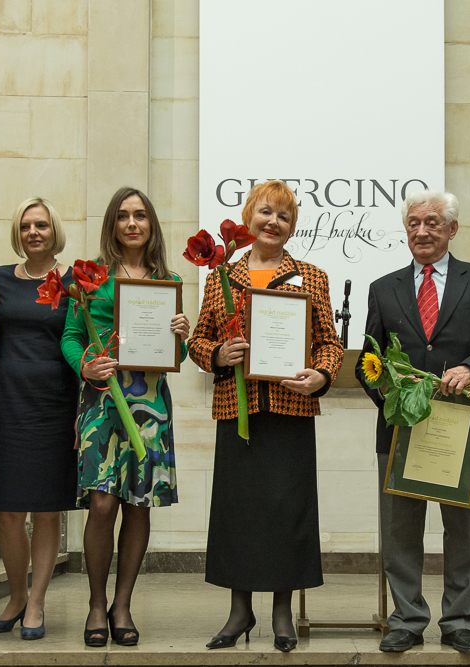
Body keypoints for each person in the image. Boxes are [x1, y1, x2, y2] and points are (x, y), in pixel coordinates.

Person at [187, 180, 343, 653]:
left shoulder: (311, 276)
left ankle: (280, 611)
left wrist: (321, 374)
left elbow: (329, 343)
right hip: (239, 410)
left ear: (292, 228)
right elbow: (197, 341)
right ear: (249, 218)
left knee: (287, 512)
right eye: (266, 213)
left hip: (291, 408)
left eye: (284, 217)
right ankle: (239, 611)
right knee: (239, 512)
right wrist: (218, 355)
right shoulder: (220, 277)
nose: (273, 222)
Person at [357, 190, 470, 654]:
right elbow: (371, 356)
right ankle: (406, 619)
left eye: (431, 222)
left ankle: (461, 621)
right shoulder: (382, 288)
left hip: (460, 428)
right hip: (401, 427)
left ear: (451, 229)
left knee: (464, 530)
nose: (421, 231)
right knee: (399, 529)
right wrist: (389, 397)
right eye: (413, 223)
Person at [60, 187, 190, 647]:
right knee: (102, 504)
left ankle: (123, 605)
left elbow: (181, 354)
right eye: (122, 216)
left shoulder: (167, 279)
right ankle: (96, 603)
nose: (132, 223)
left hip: (151, 405)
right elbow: (72, 335)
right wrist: (84, 365)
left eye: (140, 216)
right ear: (112, 225)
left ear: (151, 224)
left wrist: (183, 335)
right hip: (102, 403)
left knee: (138, 504)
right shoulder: (91, 277)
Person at [0, 197, 78, 640]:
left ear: (53, 229)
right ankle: (16, 595)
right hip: (5, 405)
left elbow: (83, 340)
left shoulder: (76, 280)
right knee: (7, 511)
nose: (33, 232)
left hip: (54, 406)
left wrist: (83, 410)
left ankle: (36, 601)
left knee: (45, 510)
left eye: (41, 225)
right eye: (25, 226)